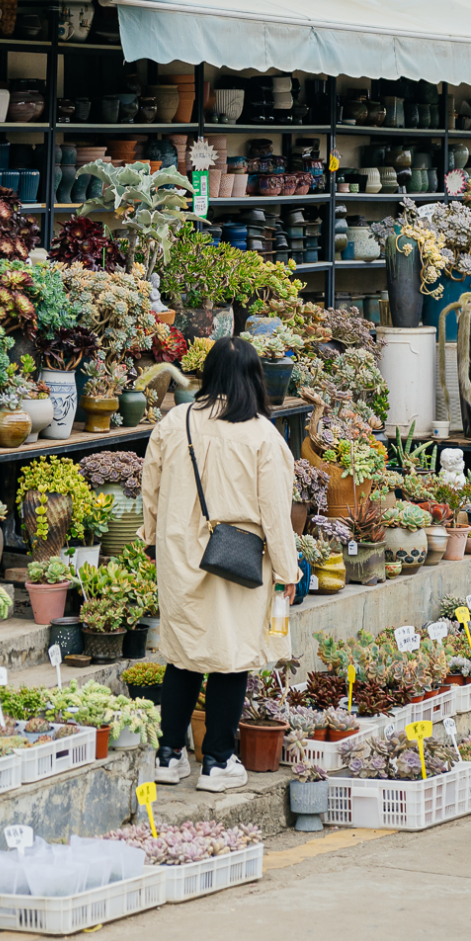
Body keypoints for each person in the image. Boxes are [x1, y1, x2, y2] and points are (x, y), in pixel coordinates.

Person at [141, 335, 299, 792]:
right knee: (231, 657)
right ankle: (217, 761)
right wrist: (287, 569)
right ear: (255, 379)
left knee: (183, 652)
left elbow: (149, 485)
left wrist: (151, 539)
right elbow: (276, 511)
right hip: (238, 558)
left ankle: (168, 754)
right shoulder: (262, 435)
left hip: (179, 554)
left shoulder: (176, 422)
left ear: (208, 375)